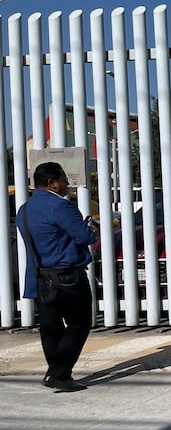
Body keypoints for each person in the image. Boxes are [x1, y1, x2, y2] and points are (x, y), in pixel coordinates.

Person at [16, 162, 98, 393]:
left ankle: (59, 373)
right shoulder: (61, 207)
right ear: (52, 183)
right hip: (67, 276)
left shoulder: (24, 209)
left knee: (50, 328)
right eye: (63, 179)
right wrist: (89, 229)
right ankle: (58, 372)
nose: (67, 184)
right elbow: (85, 237)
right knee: (79, 323)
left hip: (39, 277)